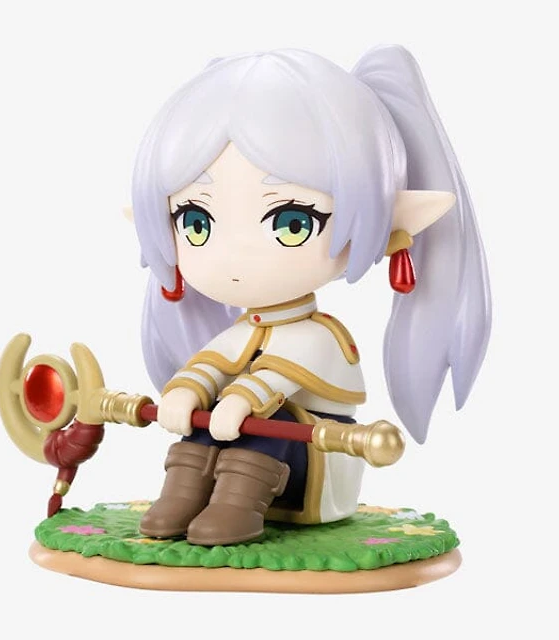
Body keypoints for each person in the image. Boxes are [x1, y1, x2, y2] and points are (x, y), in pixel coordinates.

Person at [129, 47, 491, 546]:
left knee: (264, 416)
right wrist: (186, 391)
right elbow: (214, 363)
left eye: (292, 221)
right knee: (207, 421)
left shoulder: (324, 338)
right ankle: (183, 492)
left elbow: (277, 381)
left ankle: (237, 506)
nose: (234, 253)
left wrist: (241, 398)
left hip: (309, 467)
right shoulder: (243, 330)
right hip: (247, 441)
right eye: (196, 222)